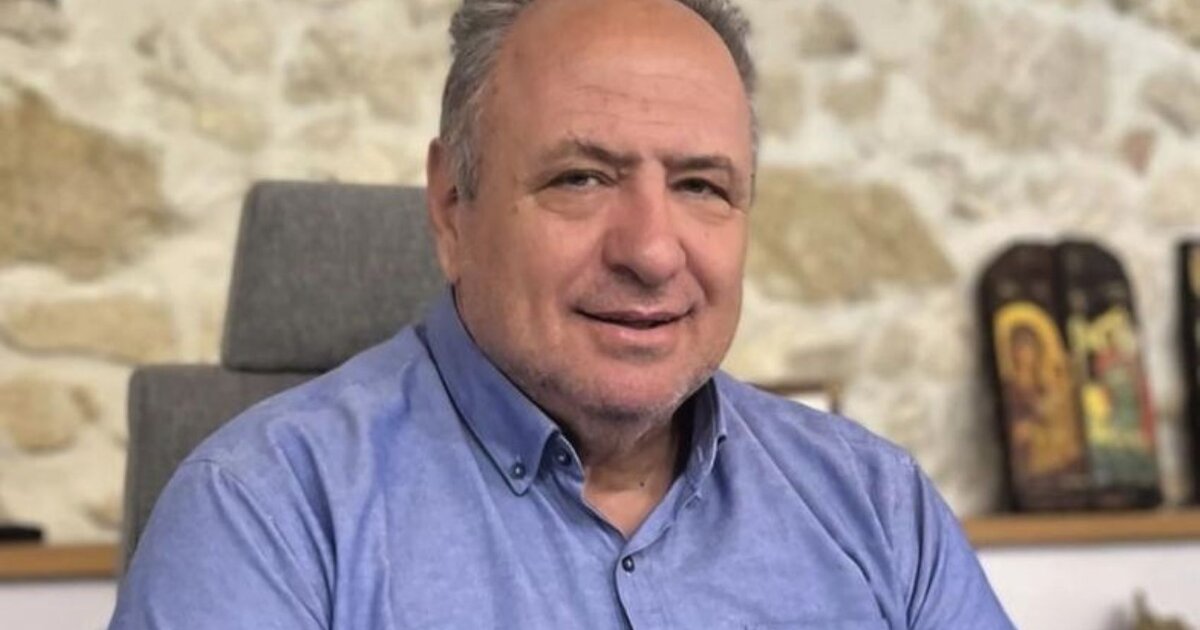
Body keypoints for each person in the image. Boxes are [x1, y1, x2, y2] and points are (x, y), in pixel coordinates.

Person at [110, 0, 1013, 628]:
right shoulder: (263, 515)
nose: (652, 252)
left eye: (701, 186)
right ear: (451, 207)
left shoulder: (877, 508)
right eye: (581, 178)